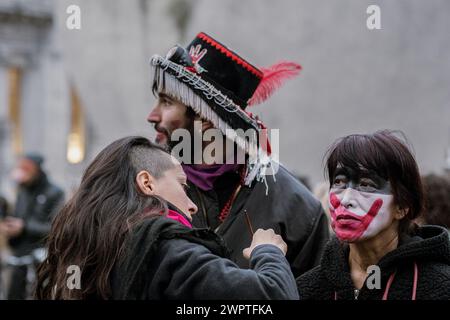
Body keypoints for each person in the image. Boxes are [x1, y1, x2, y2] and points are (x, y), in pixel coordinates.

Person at [147, 32, 329, 277]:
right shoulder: (146, 187)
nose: (152, 116)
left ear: (206, 118)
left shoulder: (299, 209)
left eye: (167, 102)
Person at [35, 136, 299, 300]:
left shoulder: (88, 250)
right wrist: (268, 252)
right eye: (182, 186)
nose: (192, 206)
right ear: (147, 183)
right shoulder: (166, 251)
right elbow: (273, 295)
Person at [296, 130, 450, 300]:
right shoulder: (304, 290)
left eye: (366, 185)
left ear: (402, 206)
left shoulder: (440, 288)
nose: (346, 200)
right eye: (339, 182)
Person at [0, 153, 64, 300]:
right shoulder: (22, 190)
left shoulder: (55, 192)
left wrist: (25, 227)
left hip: (41, 259)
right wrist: (8, 226)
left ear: (37, 169)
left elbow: (56, 228)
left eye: (26, 168)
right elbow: (17, 217)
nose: (22, 172)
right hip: (18, 257)